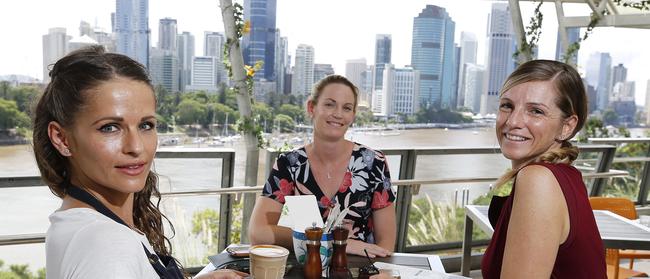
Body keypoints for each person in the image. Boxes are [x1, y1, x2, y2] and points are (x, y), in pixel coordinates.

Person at [34, 46, 247, 279]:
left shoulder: (78, 222)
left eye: (146, 125)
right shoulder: (108, 245)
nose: (136, 147)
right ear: (62, 138)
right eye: (110, 128)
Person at [481, 60, 606, 278]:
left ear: (567, 126)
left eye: (536, 111)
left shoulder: (538, 179)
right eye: (507, 105)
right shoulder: (564, 175)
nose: (513, 121)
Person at [248, 75, 396, 258]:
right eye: (329, 104)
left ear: (353, 115)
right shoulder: (289, 164)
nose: (338, 114)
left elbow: (386, 242)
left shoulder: (374, 162)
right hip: (304, 270)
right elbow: (258, 233)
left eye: (347, 108)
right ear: (312, 108)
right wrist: (335, 242)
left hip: (359, 270)